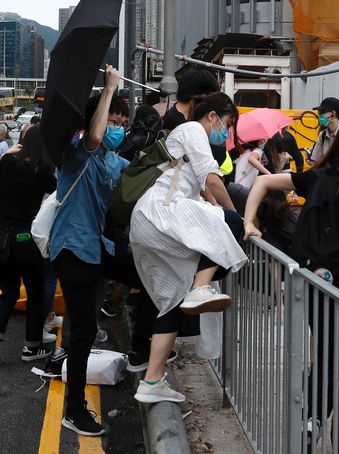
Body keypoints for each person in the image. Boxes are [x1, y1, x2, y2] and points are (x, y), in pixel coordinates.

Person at [244, 121, 339, 453]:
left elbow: (262, 181)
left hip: (320, 285)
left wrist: (248, 222)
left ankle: (310, 424)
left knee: (323, 359)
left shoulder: (316, 178)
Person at [130, 92, 247, 404]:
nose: (226, 131)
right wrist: (241, 219)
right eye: (227, 123)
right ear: (212, 116)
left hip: (151, 221)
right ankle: (200, 288)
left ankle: (152, 381)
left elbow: (200, 189)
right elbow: (212, 180)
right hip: (161, 214)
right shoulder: (193, 129)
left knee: (173, 302)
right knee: (232, 225)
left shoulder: (182, 137)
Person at [49, 65, 129, 436]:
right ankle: (74, 409)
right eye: (112, 119)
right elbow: (96, 136)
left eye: (122, 123)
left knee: (143, 275)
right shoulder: (77, 152)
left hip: (98, 250)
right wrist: (109, 88)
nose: (117, 127)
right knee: (82, 333)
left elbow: (147, 174)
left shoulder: (112, 161)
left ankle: (145, 353)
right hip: (73, 249)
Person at [0, 126, 55, 360]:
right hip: (26, 238)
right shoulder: (41, 171)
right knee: (34, 293)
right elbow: (57, 193)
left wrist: (6, 155)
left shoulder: (6, 163)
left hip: (2, 238)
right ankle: (31, 347)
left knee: (9, 292)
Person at [309, 97, 339, 163]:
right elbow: (315, 161)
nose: (319, 117)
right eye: (319, 113)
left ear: (333, 113)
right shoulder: (323, 135)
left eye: (322, 113)